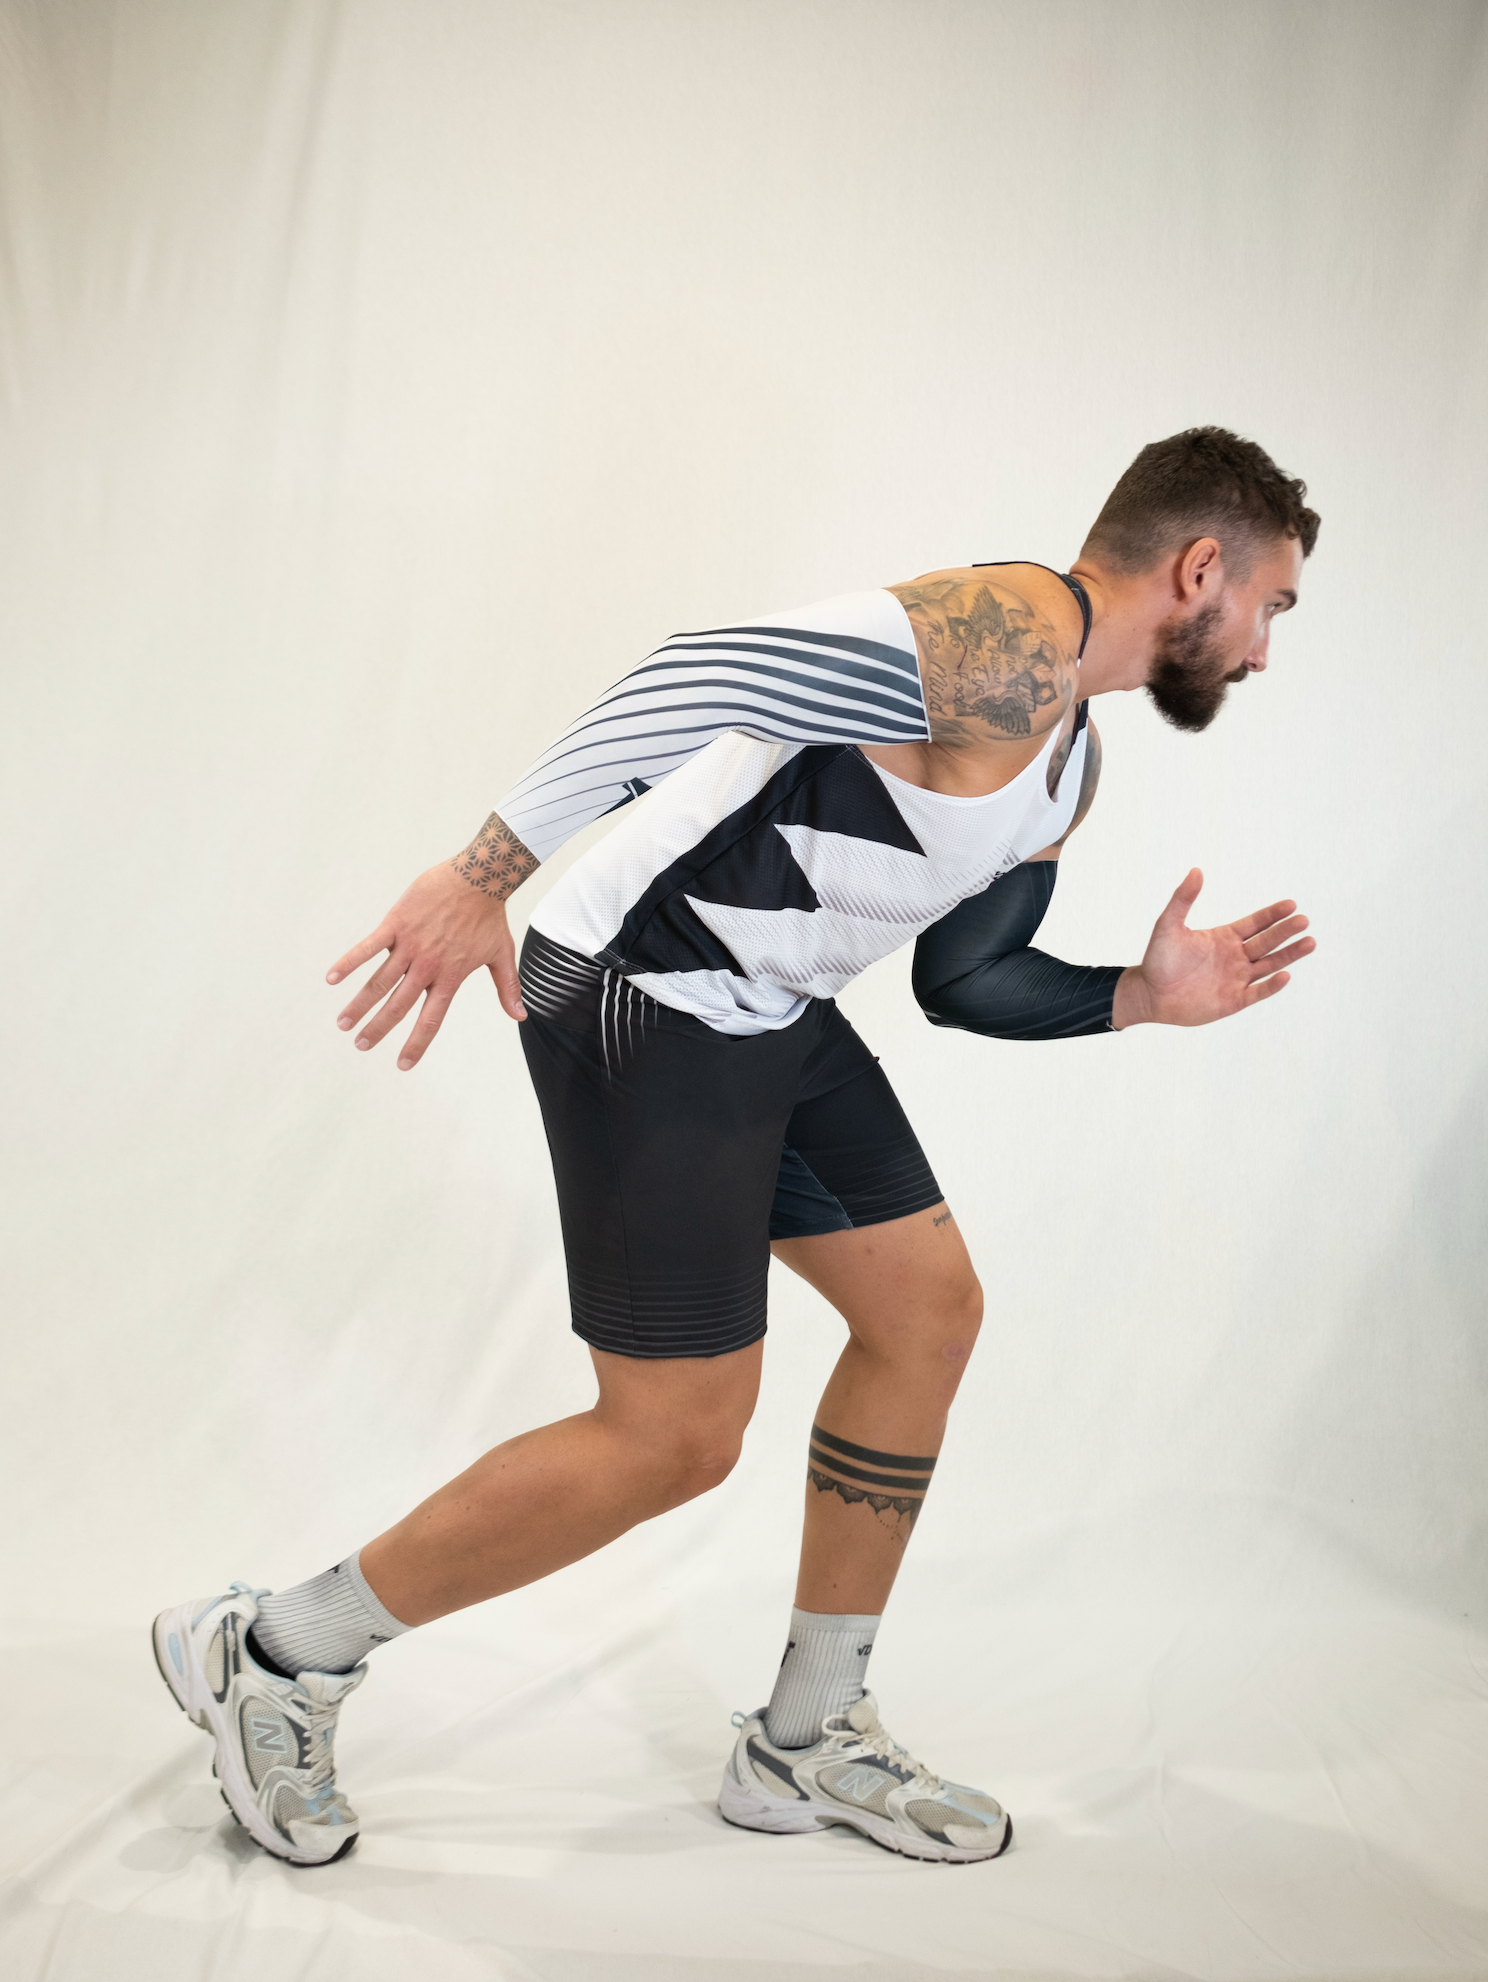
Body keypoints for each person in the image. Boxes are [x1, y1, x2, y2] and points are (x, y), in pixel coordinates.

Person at [153, 426, 1319, 1867]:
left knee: (926, 1314)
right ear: (1200, 569)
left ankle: (805, 1738)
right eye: (1270, 604)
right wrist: (477, 875)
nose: (1264, 648)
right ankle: (275, 1649)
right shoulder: (1011, 637)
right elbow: (700, 671)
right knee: (677, 1436)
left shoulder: (1067, 761)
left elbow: (965, 980)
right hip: (639, 992)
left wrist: (1138, 996)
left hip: (767, 1012)